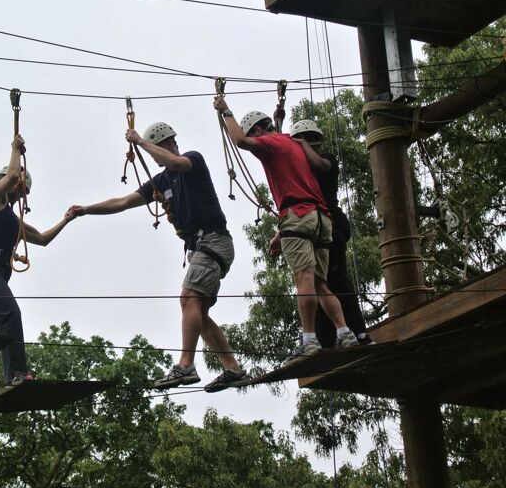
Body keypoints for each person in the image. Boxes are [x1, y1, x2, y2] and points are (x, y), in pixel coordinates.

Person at [70, 123, 246, 392]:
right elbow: (122, 202)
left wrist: (140, 142)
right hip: (202, 246)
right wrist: (86, 210)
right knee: (198, 311)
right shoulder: (160, 183)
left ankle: (186, 365)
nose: (158, 157)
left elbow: (176, 162)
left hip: (212, 240)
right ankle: (232, 368)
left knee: (188, 299)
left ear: (169, 144)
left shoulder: (192, 161)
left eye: (159, 150)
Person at [212, 96, 359, 361]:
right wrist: (278, 119)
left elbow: (241, 141)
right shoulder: (292, 143)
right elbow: (280, 148)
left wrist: (226, 111)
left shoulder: (270, 142)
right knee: (320, 283)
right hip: (321, 218)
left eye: (255, 136)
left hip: (298, 214)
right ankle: (345, 332)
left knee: (303, 279)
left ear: (258, 131)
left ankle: (310, 340)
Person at [0, 134, 76, 402]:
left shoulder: (13, 219)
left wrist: (66, 220)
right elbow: (13, 173)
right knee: (11, 314)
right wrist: (14, 149)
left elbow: (42, 239)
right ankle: (16, 374)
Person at [283, 119, 372, 347]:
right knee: (315, 284)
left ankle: (358, 332)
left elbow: (320, 166)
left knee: (336, 282)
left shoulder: (326, 160)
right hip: (316, 227)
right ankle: (325, 338)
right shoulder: (303, 169)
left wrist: (302, 145)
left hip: (331, 226)